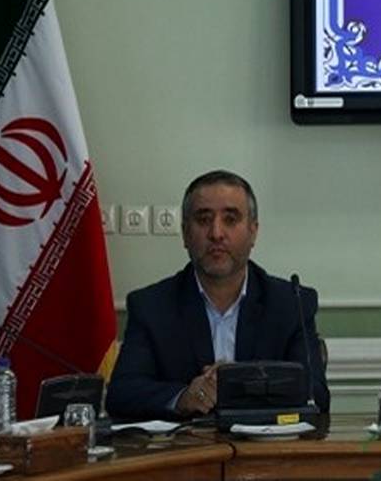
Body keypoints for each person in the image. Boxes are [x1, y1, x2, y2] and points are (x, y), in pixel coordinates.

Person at [106, 170, 329, 419]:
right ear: (185, 233)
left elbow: (316, 394)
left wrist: (240, 383)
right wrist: (183, 397)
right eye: (203, 220)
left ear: (253, 231)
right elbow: (122, 395)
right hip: (185, 443)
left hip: (262, 443)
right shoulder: (152, 306)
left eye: (230, 219)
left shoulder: (291, 303)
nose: (216, 233)